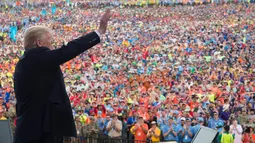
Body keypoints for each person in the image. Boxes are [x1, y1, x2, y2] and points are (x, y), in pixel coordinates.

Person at [13, 9, 112, 143]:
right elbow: (68, 50)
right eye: (50, 40)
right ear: (39, 43)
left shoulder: (27, 61)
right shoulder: (35, 58)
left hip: (34, 126)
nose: (52, 45)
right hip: (38, 130)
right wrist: (99, 32)